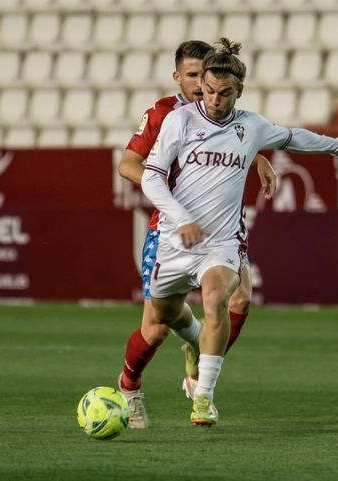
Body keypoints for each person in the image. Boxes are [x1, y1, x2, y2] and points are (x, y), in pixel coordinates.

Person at [141, 37, 338, 426]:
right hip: (177, 239)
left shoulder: (252, 126)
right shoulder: (179, 121)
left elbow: (294, 137)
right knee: (164, 314)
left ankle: (203, 398)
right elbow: (151, 177)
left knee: (216, 299)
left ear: (238, 91)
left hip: (222, 242)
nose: (214, 99)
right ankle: (194, 340)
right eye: (208, 90)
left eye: (224, 93)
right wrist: (180, 217)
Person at [116, 40, 278, 428]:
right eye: (190, 76)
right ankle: (131, 386)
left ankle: (201, 381)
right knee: (154, 328)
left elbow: (235, 135)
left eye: (201, 77)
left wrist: (258, 156)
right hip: (172, 228)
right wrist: (172, 198)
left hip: (220, 228)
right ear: (178, 77)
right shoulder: (163, 113)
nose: (197, 85)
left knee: (239, 296)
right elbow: (128, 165)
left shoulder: (222, 112)